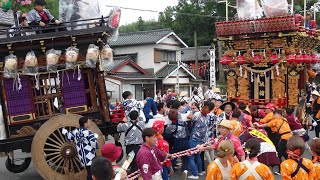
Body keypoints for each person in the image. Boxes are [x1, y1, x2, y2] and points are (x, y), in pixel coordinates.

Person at [186, 101, 213, 179]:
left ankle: (195, 174)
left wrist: (192, 110)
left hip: (194, 138)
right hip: (202, 139)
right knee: (198, 156)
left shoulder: (197, 115)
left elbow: (189, 116)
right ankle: (200, 172)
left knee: (190, 156)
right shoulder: (208, 116)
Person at [166, 102, 190, 179]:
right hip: (185, 140)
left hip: (177, 142)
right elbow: (179, 114)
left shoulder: (170, 126)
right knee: (185, 156)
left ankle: (171, 170)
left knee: (173, 156)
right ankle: (185, 170)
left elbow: (167, 133)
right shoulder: (182, 121)